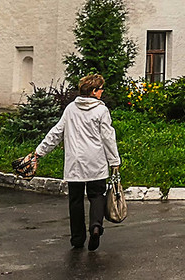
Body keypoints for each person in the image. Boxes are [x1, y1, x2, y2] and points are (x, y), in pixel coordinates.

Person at [33, 74, 121, 251]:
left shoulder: (71, 109)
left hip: (74, 162)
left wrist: (39, 152)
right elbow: (108, 138)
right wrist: (114, 161)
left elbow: (56, 133)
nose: (102, 92)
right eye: (101, 89)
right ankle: (96, 226)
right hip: (96, 161)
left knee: (75, 199)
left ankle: (77, 238)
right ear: (94, 91)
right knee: (97, 195)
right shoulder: (101, 111)